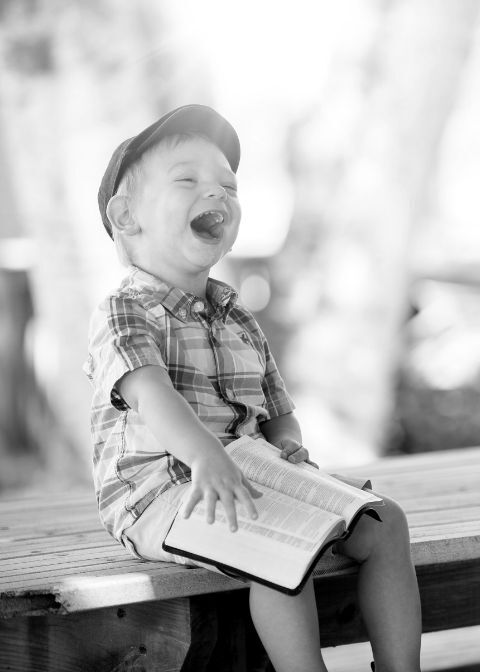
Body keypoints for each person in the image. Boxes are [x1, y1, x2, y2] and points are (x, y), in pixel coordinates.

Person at [84, 104, 422, 672]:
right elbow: (150, 394)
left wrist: (287, 443)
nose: (215, 193)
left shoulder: (235, 313)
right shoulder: (124, 309)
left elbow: (276, 407)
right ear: (126, 215)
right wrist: (207, 457)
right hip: (161, 490)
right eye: (187, 179)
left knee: (385, 522)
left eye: (227, 185)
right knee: (278, 546)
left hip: (248, 471)